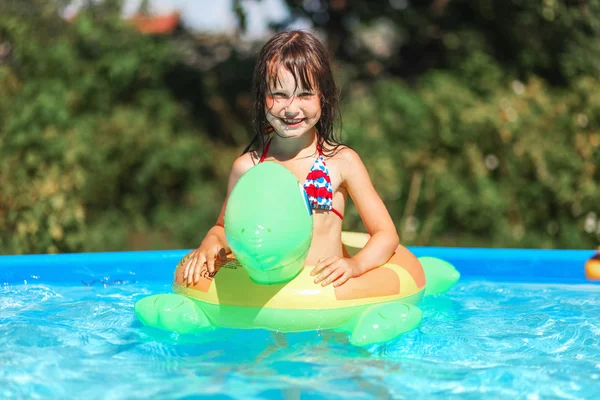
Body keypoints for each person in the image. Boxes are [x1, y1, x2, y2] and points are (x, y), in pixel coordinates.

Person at [183, 30, 408, 288]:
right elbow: (224, 228)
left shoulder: (341, 162)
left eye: (304, 95)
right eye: (278, 94)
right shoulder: (248, 167)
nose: (291, 108)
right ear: (261, 96)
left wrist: (355, 265)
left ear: (323, 96)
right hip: (270, 305)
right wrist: (210, 242)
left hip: (324, 304)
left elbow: (385, 234)